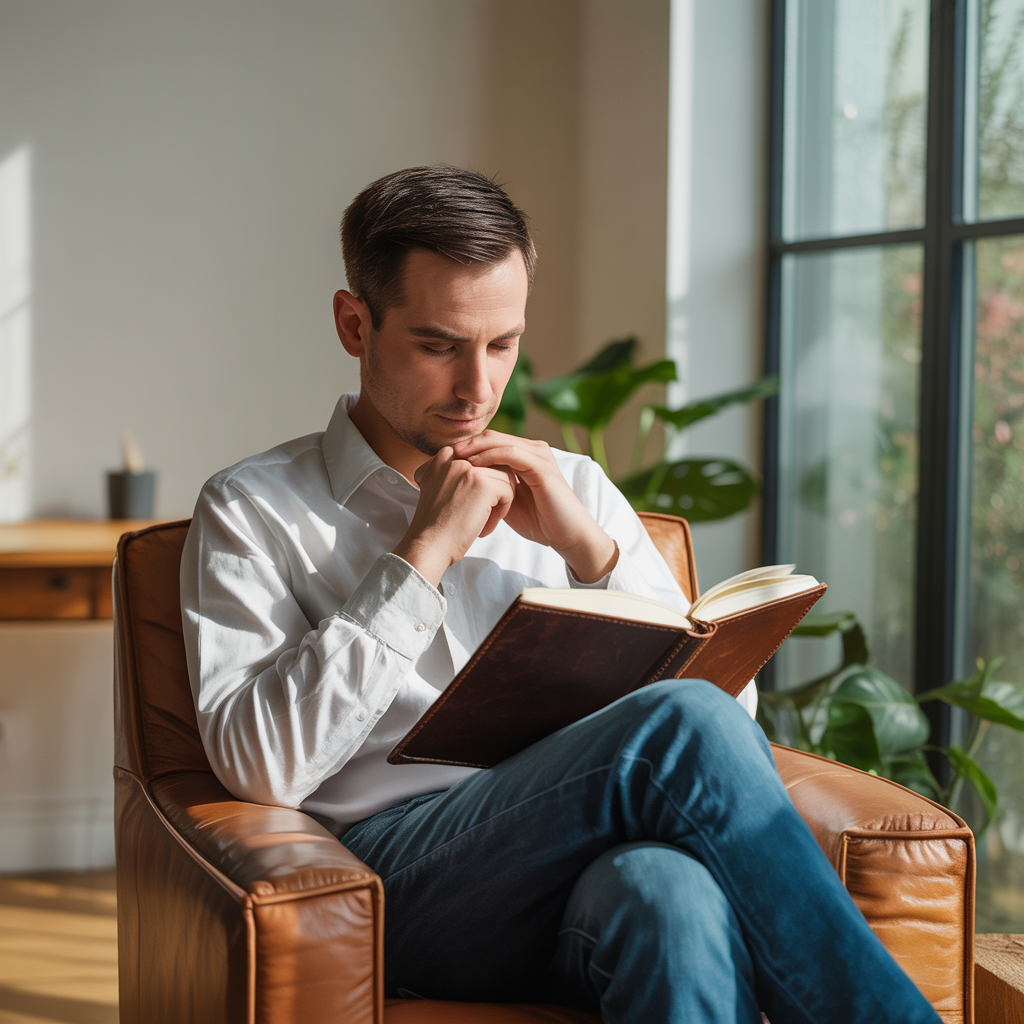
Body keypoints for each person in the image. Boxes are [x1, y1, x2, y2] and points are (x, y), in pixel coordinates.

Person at [180, 165, 940, 1024]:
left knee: (670, 898)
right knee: (675, 730)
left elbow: (730, 719)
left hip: (582, 878)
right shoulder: (253, 507)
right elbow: (257, 764)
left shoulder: (571, 485)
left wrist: (590, 549)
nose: (477, 388)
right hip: (407, 881)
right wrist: (422, 555)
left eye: (502, 345)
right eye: (438, 346)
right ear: (355, 324)